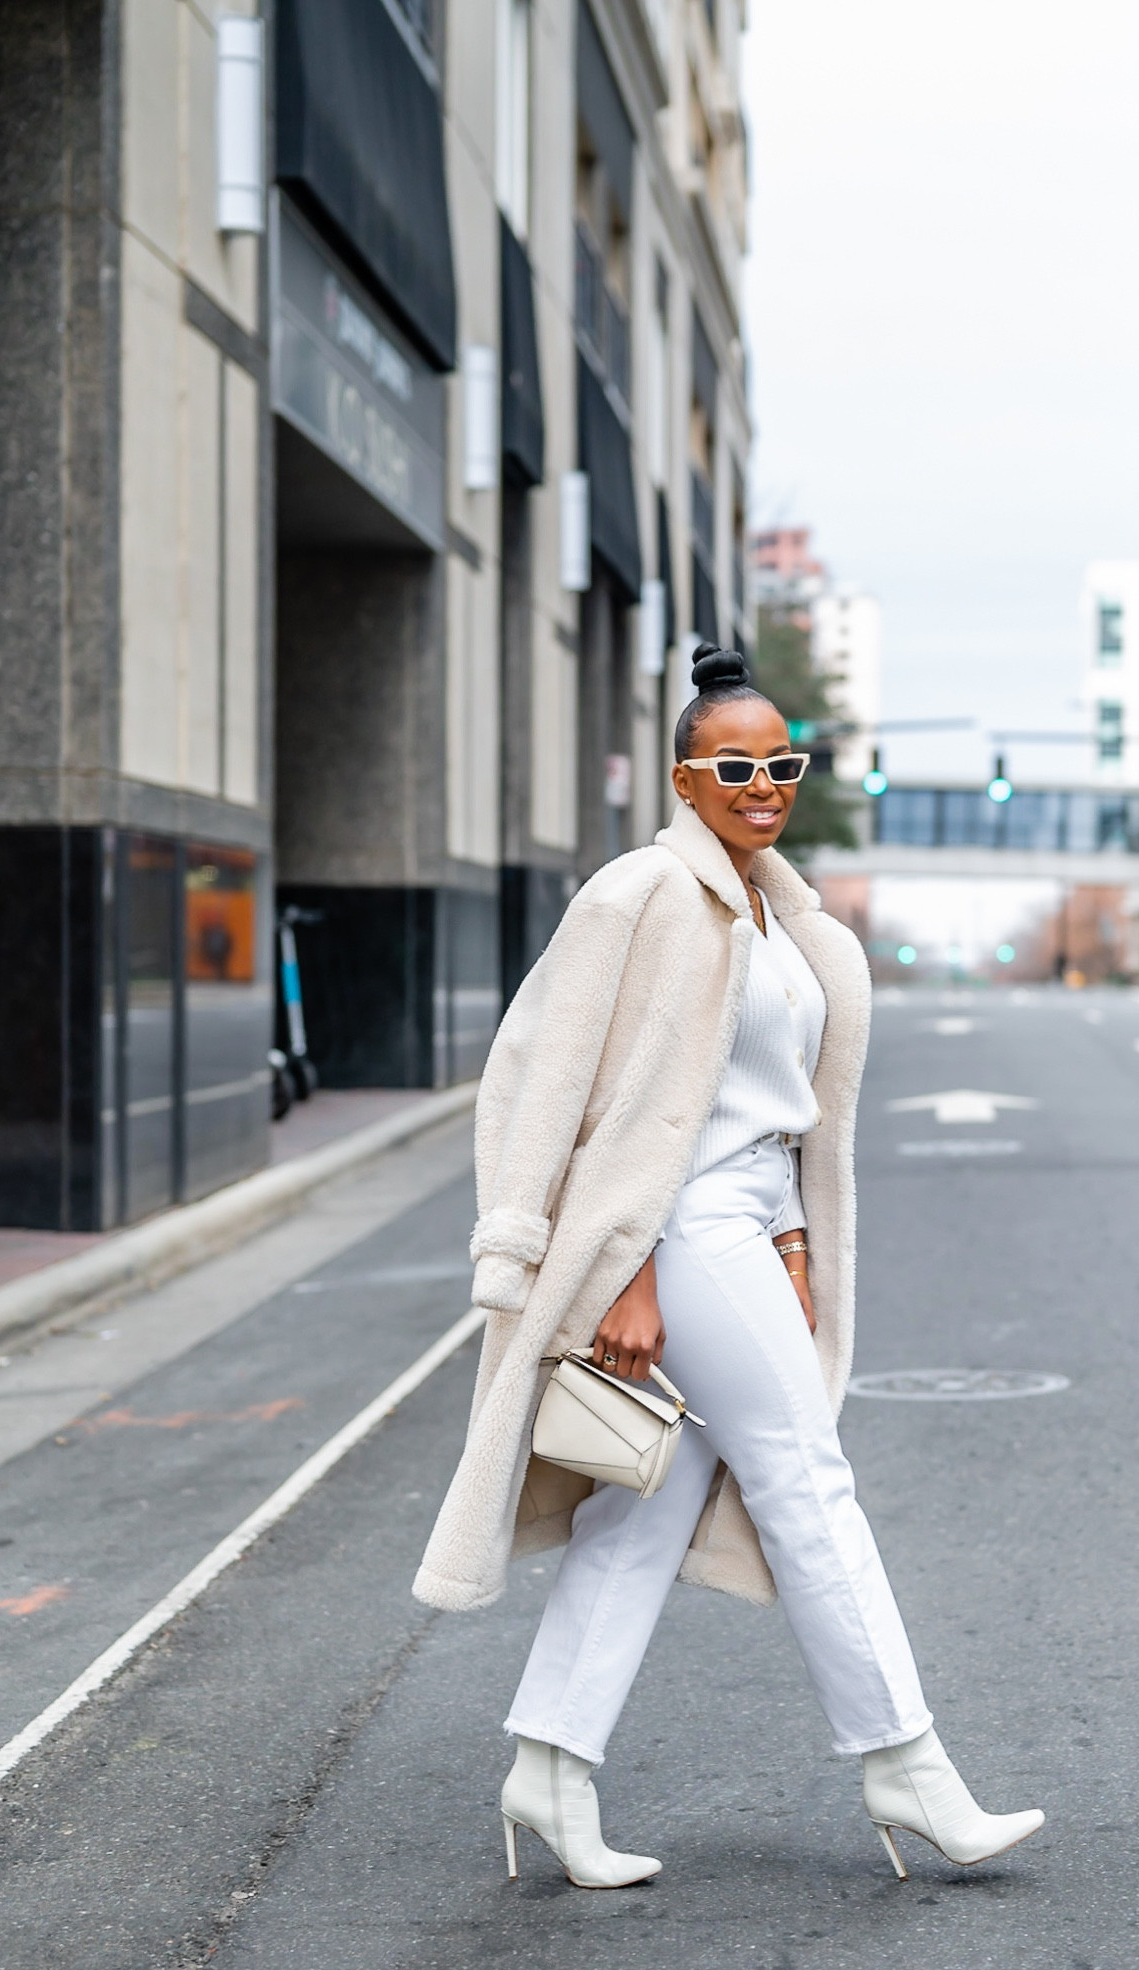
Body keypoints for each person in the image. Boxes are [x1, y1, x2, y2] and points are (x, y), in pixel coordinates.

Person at [414, 643, 1044, 1889]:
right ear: (685, 780)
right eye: (736, 766)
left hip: (749, 1221)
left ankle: (548, 1766)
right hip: (681, 1224)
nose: (763, 785)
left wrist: (795, 1240)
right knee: (806, 1476)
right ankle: (905, 1763)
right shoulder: (638, 894)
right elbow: (549, 1079)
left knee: (647, 1502)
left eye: (781, 765)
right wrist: (624, 1269)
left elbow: (774, 1112)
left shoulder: (775, 915)